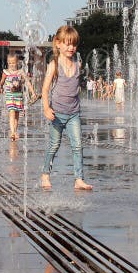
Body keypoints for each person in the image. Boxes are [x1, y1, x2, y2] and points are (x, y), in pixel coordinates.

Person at [40, 25, 92, 191]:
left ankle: (79, 179)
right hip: (57, 113)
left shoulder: (78, 63)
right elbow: (45, 89)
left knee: (78, 146)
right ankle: (45, 174)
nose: (71, 47)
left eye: (74, 44)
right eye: (67, 44)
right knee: (54, 145)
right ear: (58, 44)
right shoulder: (54, 64)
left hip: (73, 113)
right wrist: (46, 108)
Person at [0, 53, 36, 141]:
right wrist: (0, 87)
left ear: (17, 62)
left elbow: (27, 82)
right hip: (10, 96)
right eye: (10, 63)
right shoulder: (5, 72)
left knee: (16, 114)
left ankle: (15, 131)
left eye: (13, 63)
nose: (12, 65)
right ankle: (12, 132)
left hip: (18, 96)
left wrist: (33, 92)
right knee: (11, 112)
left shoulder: (20, 72)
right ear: (8, 63)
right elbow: (2, 81)